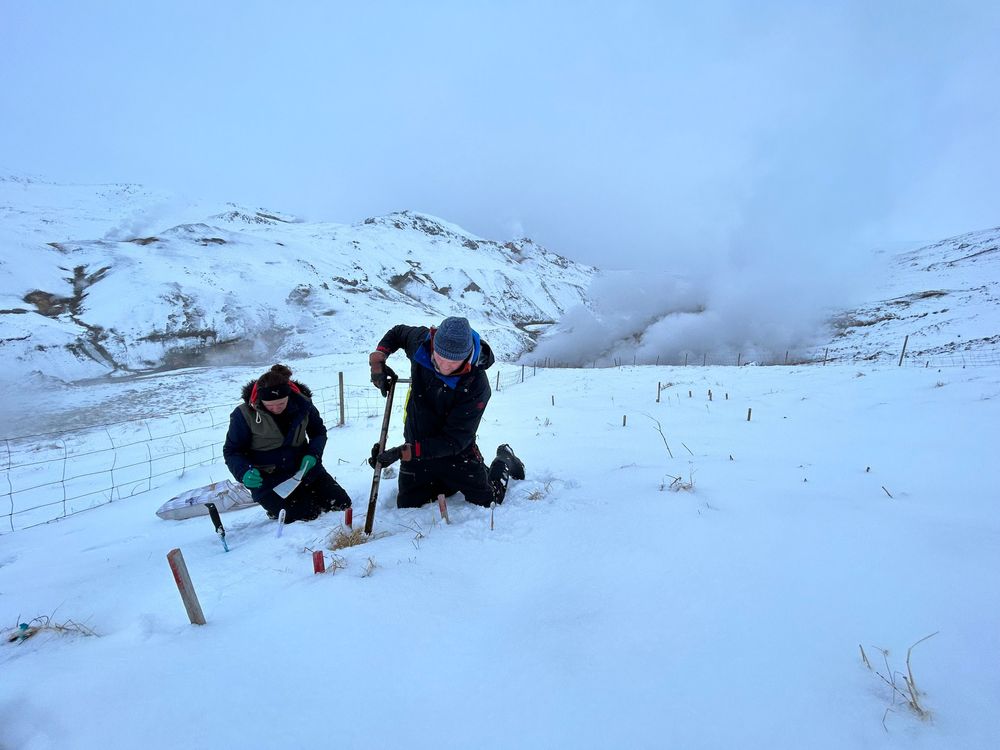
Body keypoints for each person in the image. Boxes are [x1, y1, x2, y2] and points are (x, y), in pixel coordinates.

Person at [367, 316, 525, 508]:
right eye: (440, 358)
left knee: (489, 501)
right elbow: (398, 332)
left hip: (457, 454)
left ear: (467, 356)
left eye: (454, 363)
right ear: (433, 345)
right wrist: (378, 359)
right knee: (408, 506)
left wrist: (404, 452)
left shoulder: (477, 386)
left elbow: (455, 440)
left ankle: (504, 459)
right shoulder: (421, 343)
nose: (444, 367)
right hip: (417, 447)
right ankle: (446, 482)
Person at [223, 364, 351, 523]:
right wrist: (243, 472)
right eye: (269, 405)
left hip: (304, 470)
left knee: (341, 504)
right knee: (306, 514)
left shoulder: (304, 405)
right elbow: (232, 451)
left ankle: (304, 494)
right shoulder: (243, 414)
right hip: (269, 478)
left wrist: (314, 454)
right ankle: (277, 507)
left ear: (289, 395)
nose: (276, 409)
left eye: (281, 404)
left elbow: (318, 432)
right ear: (259, 399)